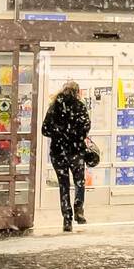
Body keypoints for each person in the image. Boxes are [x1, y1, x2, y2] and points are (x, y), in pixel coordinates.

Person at [41, 81, 92, 231]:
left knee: (64, 185)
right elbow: (86, 127)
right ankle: (79, 209)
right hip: (76, 152)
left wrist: (59, 134)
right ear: (77, 92)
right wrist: (74, 136)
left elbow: (45, 129)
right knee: (79, 182)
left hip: (58, 153)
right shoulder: (80, 106)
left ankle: (67, 219)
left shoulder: (54, 106)